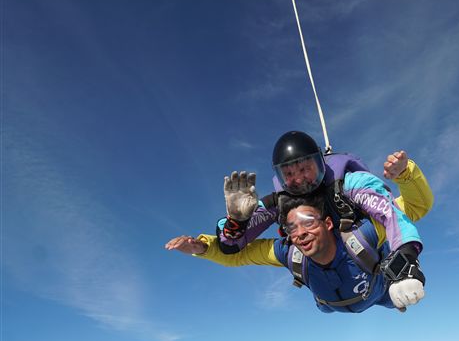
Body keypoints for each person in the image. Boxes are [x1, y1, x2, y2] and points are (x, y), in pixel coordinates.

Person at [166, 193, 426, 313]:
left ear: (328, 223)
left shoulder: (361, 236)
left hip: (380, 293)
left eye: (308, 223)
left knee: (396, 297)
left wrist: (405, 174)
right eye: (292, 227)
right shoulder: (289, 253)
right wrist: (202, 247)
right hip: (331, 305)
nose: (300, 233)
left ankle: (397, 297)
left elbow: (410, 207)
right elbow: (238, 255)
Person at [218, 131, 434, 265]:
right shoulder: (279, 203)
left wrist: (406, 259)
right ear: (280, 176)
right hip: (332, 291)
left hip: (373, 270)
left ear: (320, 163)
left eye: (305, 168)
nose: (299, 179)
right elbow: (231, 248)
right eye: (289, 173)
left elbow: (393, 212)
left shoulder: (349, 185)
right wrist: (237, 222)